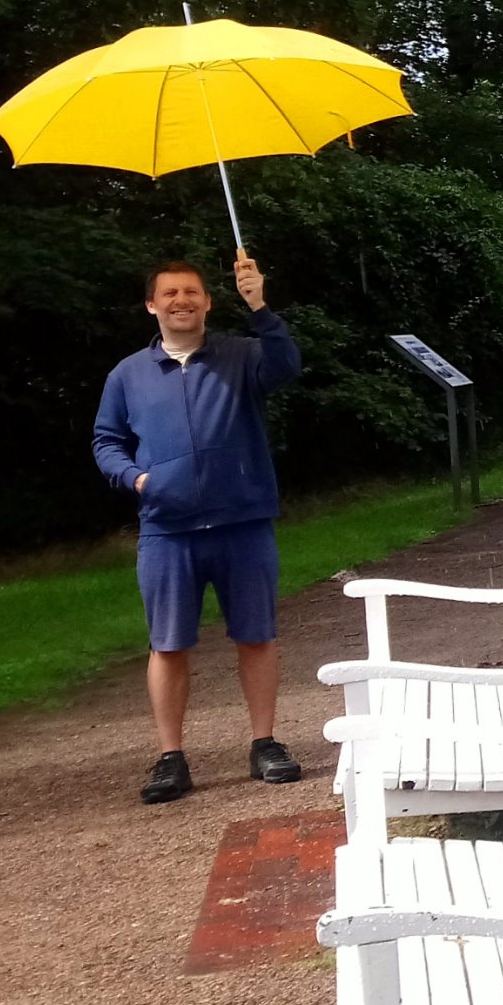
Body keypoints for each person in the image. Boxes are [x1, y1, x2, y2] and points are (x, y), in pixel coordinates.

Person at [93, 252, 304, 803]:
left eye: (191, 292)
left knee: (256, 636)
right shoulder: (128, 375)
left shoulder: (243, 355)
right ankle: (170, 758)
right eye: (170, 293)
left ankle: (265, 744)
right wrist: (136, 480)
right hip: (167, 530)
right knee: (168, 645)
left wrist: (261, 307)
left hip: (243, 522)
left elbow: (286, 367)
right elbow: (106, 442)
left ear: (208, 301)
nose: (181, 301)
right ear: (151, 305)